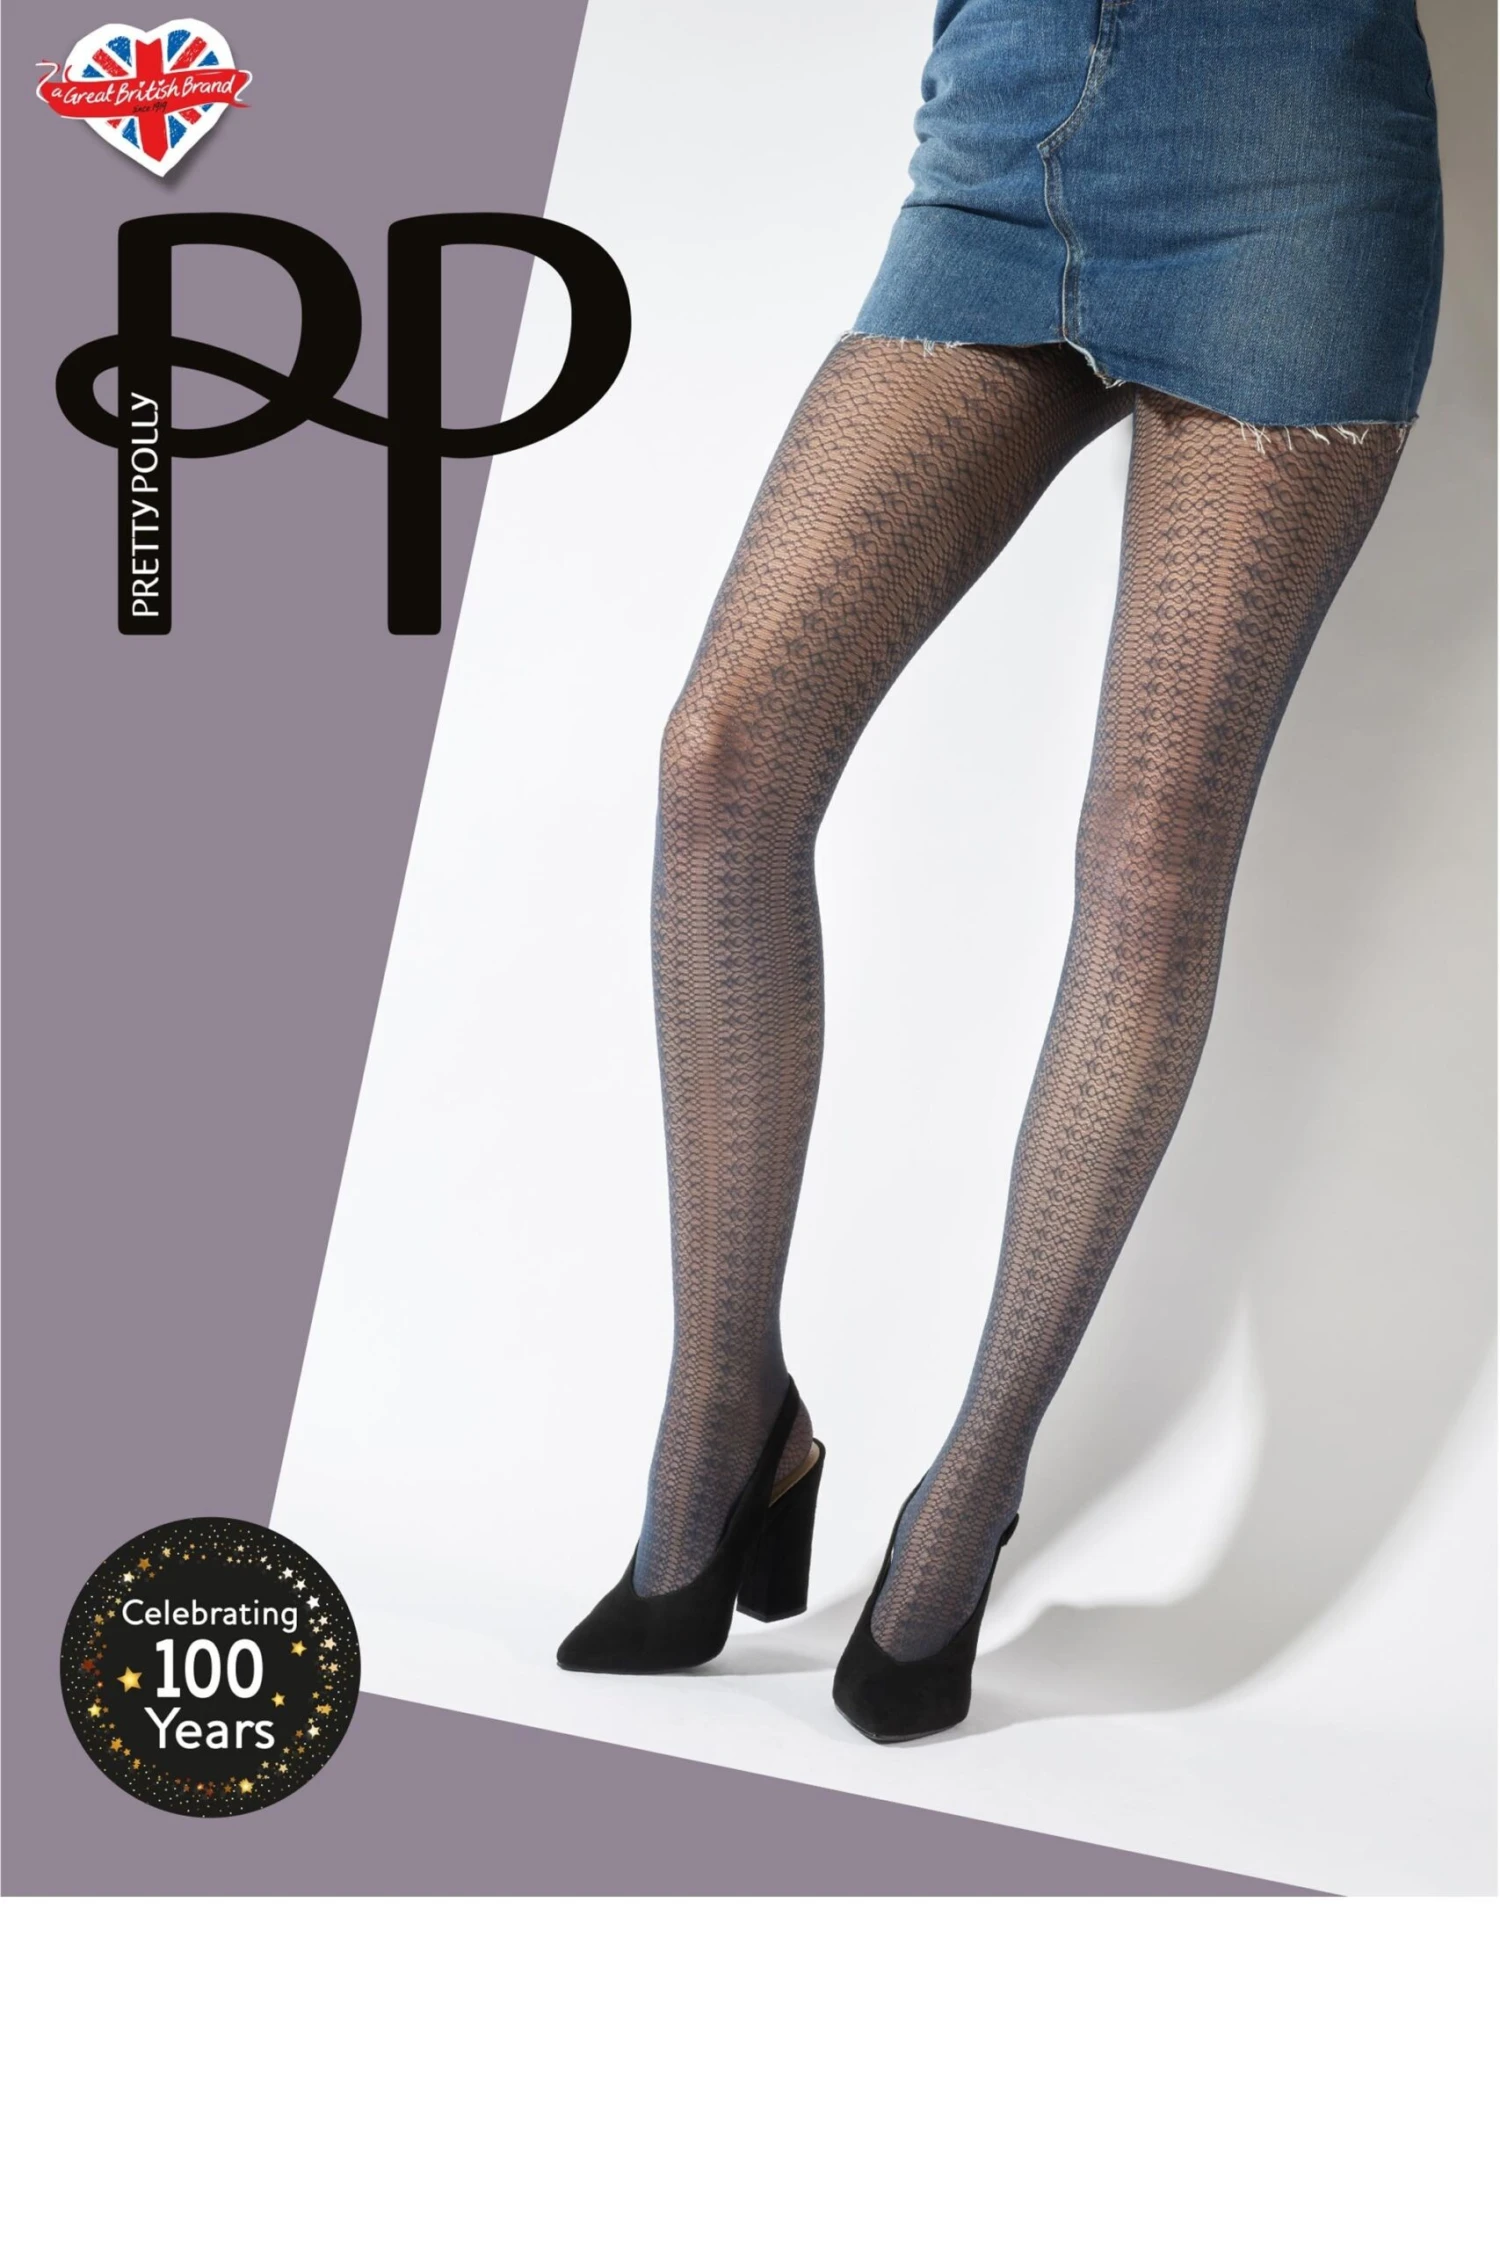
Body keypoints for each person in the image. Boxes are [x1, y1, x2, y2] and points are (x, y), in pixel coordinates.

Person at [557, 0, 1444, 1741]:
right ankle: (725, 1410)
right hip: (1002, 137)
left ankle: (972, 1486)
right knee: (723, 764)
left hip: (1294, 170)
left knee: (1149, 865)